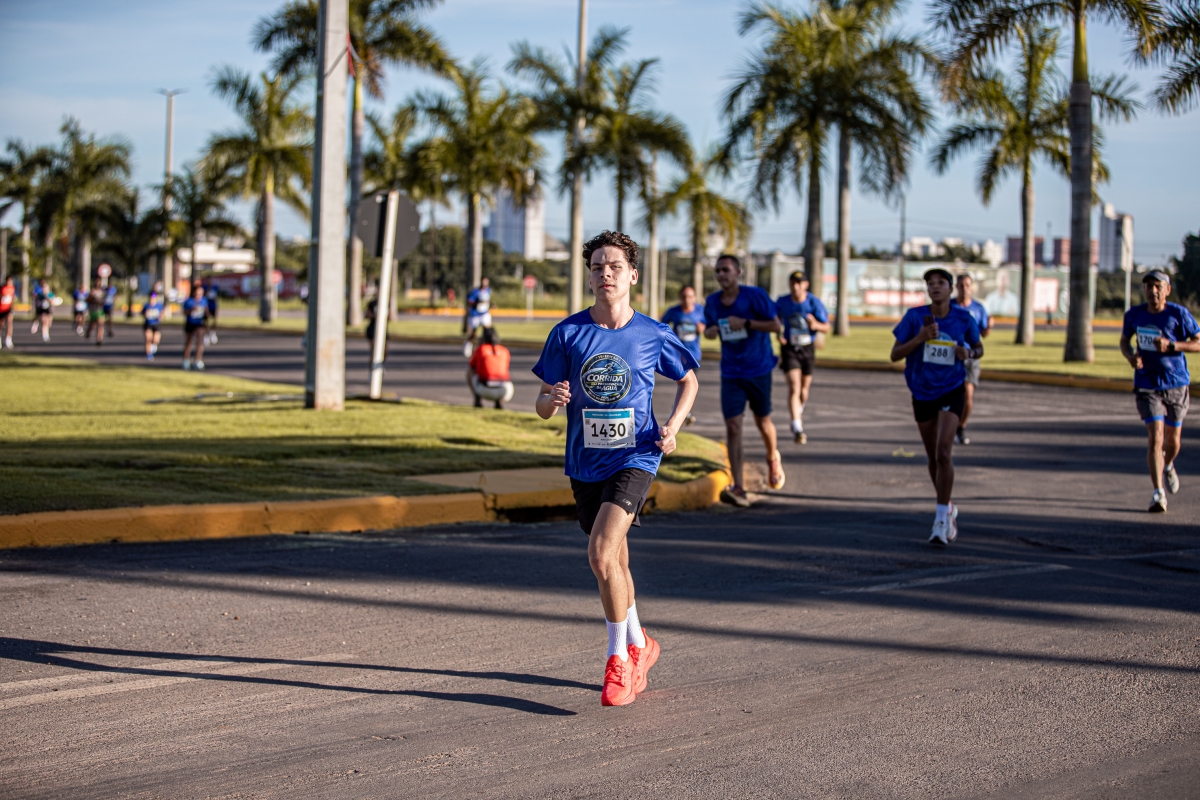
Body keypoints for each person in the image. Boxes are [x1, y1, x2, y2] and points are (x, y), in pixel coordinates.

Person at [533, 230, 698, 707]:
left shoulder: (652, 333)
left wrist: (672, 427)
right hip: (586, 462)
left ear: (632, 276)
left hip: (636, 456)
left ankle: (617, 659)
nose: (605, 274)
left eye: (614, 267)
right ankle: (641, 642)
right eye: (597, 267)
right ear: (589, 277)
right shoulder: (567, 333)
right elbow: (541, 406)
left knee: (601, 554)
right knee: (617, 562)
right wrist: (552, 398)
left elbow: (688, 381)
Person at [890, 267, 983, 546]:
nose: (935, 287)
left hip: (952, 388)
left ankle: (941, 519)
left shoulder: (963, 318)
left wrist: (968, 352)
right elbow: (894, 354)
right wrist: (919, 338)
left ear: (950, 288)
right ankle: (948, 505)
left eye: (941, 282)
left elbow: (979, 348)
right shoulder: (915, 317)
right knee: (933, 456)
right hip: (922, 391)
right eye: (930, 283)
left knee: (944, 451)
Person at [703, 254, 785, 507]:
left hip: (758, 369)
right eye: (718, 271)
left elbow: (776, 326)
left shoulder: (755, 296)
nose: (721, 275)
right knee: (733, 427)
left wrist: (746, 322)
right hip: (731, 373)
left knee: (763, 421)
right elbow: (708, 329)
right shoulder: (713, 302)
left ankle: (772, 457)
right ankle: (738, 487)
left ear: (738, 272)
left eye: (726, 270)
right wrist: (711, 331)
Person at [1119, 270, 1200, 513]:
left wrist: (1172, 345)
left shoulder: (1178, 314)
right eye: (1148, 286)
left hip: (1175, 383)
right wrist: (1130, 356)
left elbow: (1198, 341)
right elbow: (1124, 341)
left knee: (1173, 441)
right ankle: (1158, 493)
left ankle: (1168, 465)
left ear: (1167, 290)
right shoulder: (1134, 315)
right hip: (1147, 384)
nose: (1152, 291)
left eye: (1157, 286)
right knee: (1156, 437)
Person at [776, 271, 830, 445]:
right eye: (793, 283)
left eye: (799, 283)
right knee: (794, 387)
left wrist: (816, 325)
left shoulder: (814, 303)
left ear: (806, 285)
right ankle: (797, 427)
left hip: (807, 348)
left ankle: (797, 413)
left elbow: (826, 327)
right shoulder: (783, 302)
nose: (796, 286)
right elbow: (774, 320)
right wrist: (778, 333)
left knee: (804, 390)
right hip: (789, 348)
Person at [951, 273, 991, 445]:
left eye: (967, 285)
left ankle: (961, 427)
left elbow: (984, 333)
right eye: (961, 285)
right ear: (956, 287)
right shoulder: (949, 306)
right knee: (948, 396)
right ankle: (947, 428)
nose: (964, 289)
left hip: (970, 357)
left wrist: (989, 326)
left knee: (968, 396)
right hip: (951, 357)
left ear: (971, 287)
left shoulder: (978, 308)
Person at [661, 286, 706, 426]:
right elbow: (662, 326)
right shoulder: (674, 311)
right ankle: (682, 412)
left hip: (693, 355)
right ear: (680, 298)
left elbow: (709, 326)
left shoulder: (700, 311)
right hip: (677, 354)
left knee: (690, 384)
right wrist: (671, 333)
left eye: (690, 296)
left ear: (695, 297)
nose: (687, 299)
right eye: (684, 296)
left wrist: (702, 328)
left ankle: (683, 412)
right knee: (681, 384)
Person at [467, 327, 514, 409]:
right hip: (506, 391)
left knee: (470, 371)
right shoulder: (504, 350)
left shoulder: (480, 349)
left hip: (485, 389)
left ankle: (478, 400)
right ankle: (498, 402)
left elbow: (472, 365)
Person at [181, 283, 209, 370]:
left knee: (200, 342)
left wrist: (206, 313)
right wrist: (192, 310)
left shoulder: (204, 301)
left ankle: (198, 360)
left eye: (201, 292)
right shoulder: (189, 301)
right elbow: (184, 312)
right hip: (190, 323)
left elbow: (207, 312)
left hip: (200, 323)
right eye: (198, 292)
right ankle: (186, 360)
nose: (199, 294)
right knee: (189, 342)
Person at [463, 276, 492, 357]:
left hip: (484, 314)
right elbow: (470, 301)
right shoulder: (475, 291)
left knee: (487, 332)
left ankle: (481, 349)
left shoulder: (488, 290)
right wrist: (478, 303)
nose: (485, 283)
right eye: (483, 281)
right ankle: (468, 343)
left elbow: (487, 301)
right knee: (474, 334)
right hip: (475, 314)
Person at [142, 289, 164, 361]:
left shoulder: (159, 305)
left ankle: (153, 346)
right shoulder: (146, 305)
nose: (152, 299)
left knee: (156, 339)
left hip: (156, 324)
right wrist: (145, 314)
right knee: (148, 339)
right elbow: (143, 313)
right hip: (148, 324)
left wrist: (160, 316)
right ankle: (148, 354)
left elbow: (162, 313)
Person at [203, 279, 220, 346]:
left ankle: (213, 332)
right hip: (207, 305)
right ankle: (206, 335)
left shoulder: (215, 287)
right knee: (206, 321)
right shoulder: (205, 287)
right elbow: (203, 295)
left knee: (215, 320)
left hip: (214, 305)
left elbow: (217, 295)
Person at [0, 276, 15, 349]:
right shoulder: (2, 288)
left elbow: (12, 298)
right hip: (1, 309)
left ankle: (8, 339)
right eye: (9, 281)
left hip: (8, 309)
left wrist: (12, 307)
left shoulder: (12, 288)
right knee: (1, 324)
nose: (10, 283)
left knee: (9, 323)